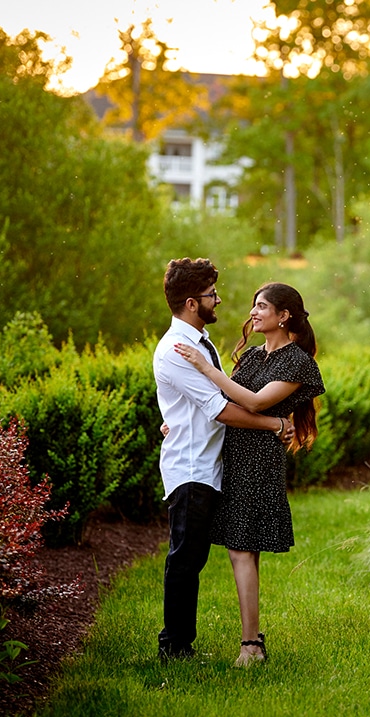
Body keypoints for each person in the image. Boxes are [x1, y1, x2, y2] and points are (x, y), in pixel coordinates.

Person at [175, 281, 324, 667]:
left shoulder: (297, 361)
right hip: (233, 455)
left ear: (284, 315)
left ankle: (250, 647)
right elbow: (223, 403)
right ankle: (252, 640)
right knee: (242, 550)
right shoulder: (255, 356)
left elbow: (255, 402)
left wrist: (204, 366)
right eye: (254, 307)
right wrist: (177, 423)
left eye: (261, 307)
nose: (253, 313)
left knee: (242, 549)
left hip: (258, 461)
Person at [153, 259, 293, 662]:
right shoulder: (177, 349)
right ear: (193, 303)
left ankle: (181, 643)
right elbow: (219, 409)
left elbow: (199, 403)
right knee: (186, 557)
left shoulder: (201, 342)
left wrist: (172, 421)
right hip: (191, 467)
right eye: (213, 294)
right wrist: (272, 424)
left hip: (210, 464)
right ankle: (174, 647)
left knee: (193, 556)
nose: (220, 299)